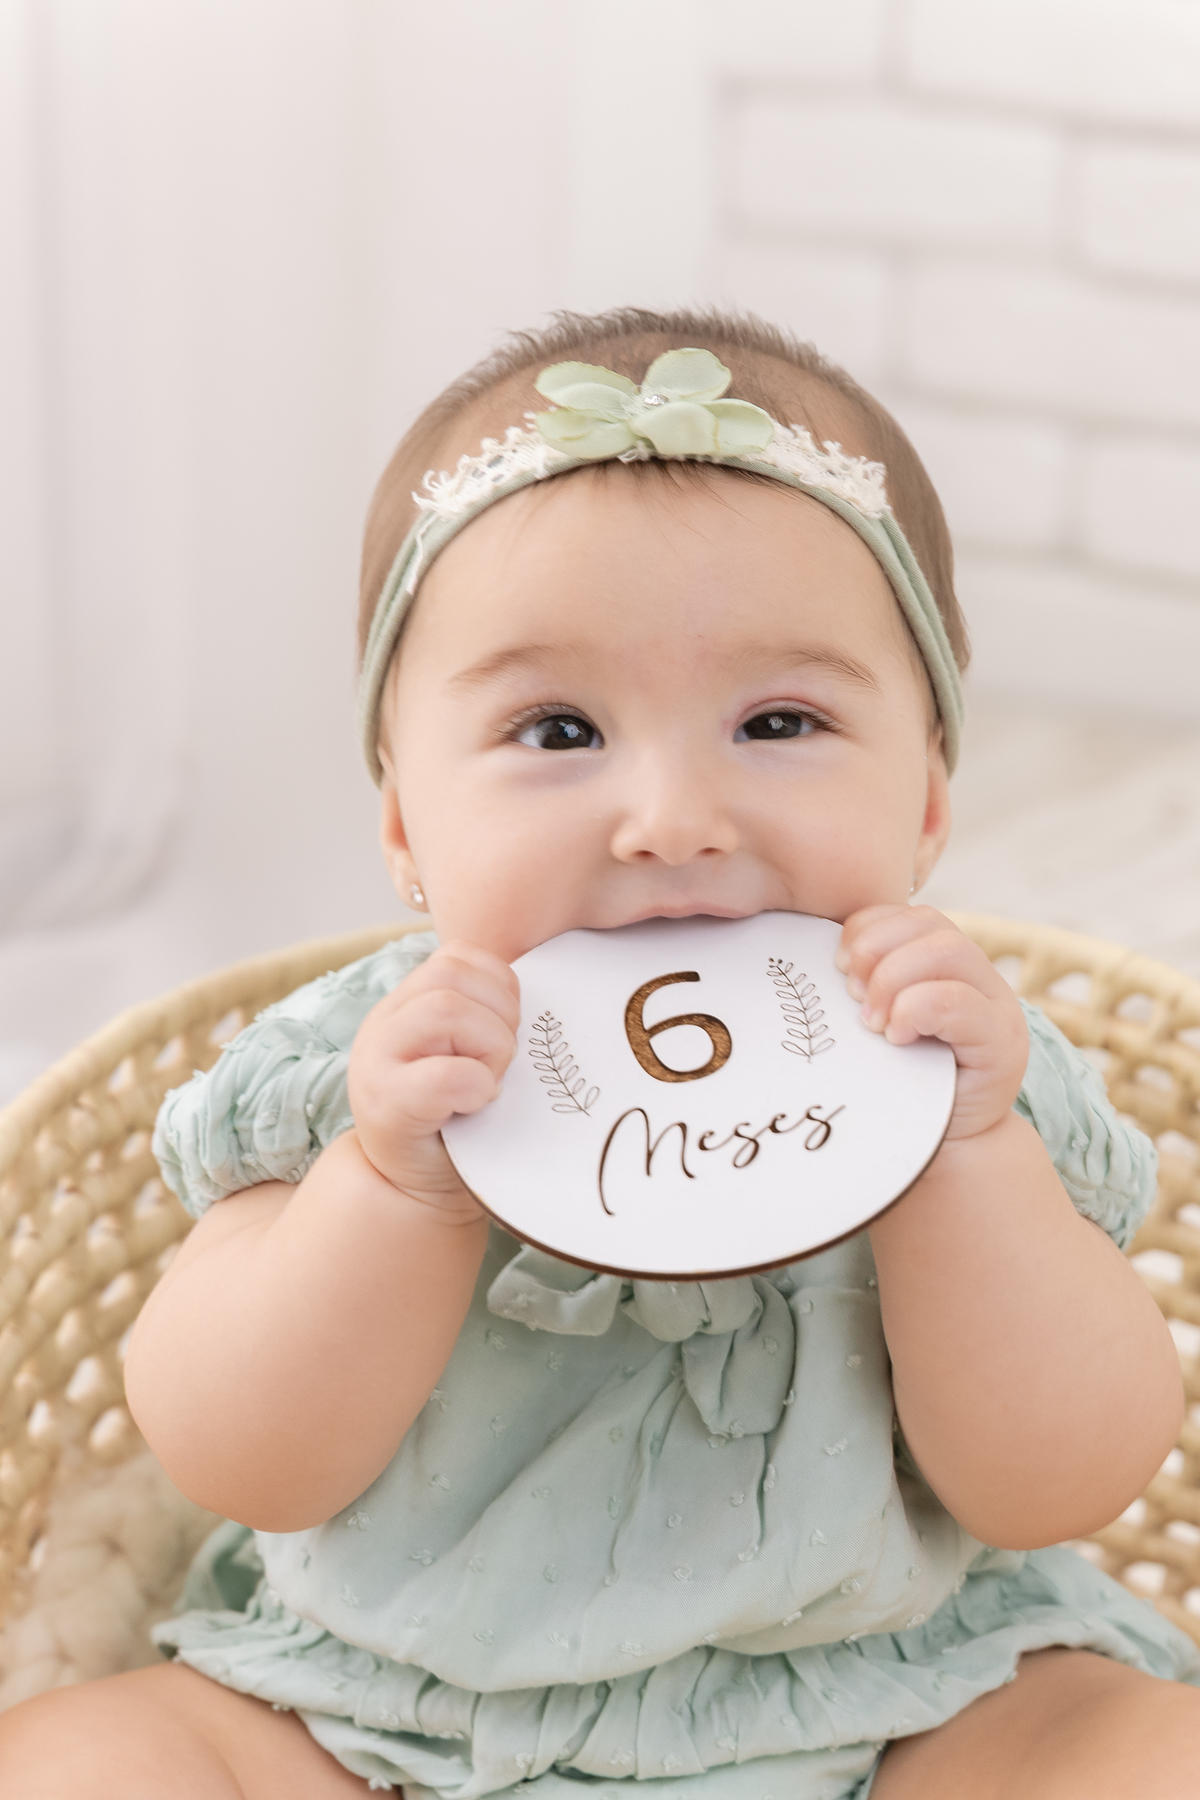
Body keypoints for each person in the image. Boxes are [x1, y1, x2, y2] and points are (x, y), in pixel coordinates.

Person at [4, 307, 1200, 1799]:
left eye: (778, 718)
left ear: (930, 805)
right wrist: (396, 1187)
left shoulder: (969, 1070)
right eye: (558, 731)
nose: (673, 818)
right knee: (76, 1761)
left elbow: (1057, 1484)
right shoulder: (359, 1070)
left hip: (900, 1709)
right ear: (404, 832)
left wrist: (962, 1165)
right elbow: (233, 1456)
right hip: (384, 1716)